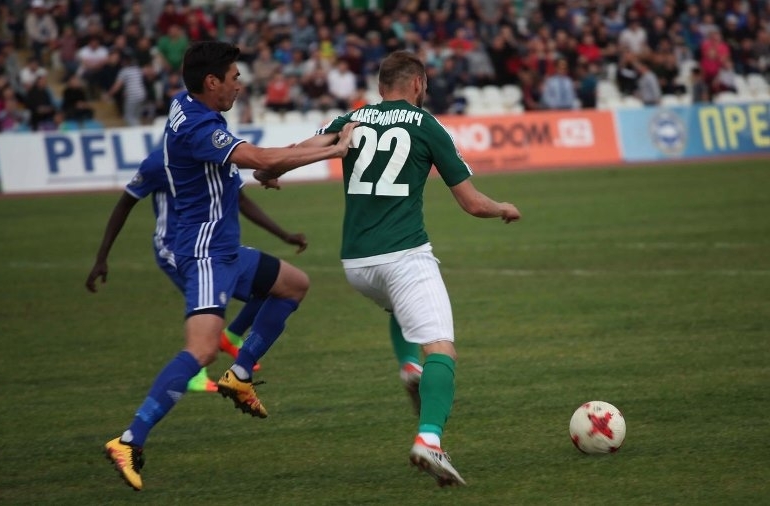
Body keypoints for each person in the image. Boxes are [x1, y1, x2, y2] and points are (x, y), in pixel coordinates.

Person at [254, 50, 521, 487]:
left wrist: (268, 173)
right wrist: (502, 207)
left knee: (401, 307)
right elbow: (472, 203)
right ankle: (429, 440)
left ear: (381, 88)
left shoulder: (353, 118)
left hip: (357, 265)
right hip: (403, 257)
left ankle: (408, 366)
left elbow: (296, 151)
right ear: (418, 84)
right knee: (442, 348)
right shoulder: (428, 125)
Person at [102, 40, 356, 491]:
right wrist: (333, 151)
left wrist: (270, 170)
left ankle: (239, 375)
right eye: (234, 77)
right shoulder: (199, 127)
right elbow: (260, 157)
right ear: (211, 82)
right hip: (204, 255)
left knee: (293, 285)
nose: (240, 85)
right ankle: (129, 440)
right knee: (200, 350)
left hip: (226, 249)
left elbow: (252, 166)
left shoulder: (188, 104)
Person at [85, 147, 308, 389]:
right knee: (204, 313)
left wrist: (284, 235)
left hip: (215, 246)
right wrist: (101, 257)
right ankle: (195, 373)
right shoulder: (158, 163)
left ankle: (231, 337)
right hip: (176, 250)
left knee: (277, 285)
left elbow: (241, 200)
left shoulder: (219, 154)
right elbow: (125, 204)